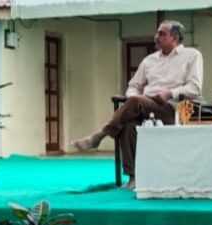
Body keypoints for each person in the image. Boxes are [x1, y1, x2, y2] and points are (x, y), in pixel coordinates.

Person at [71, 21, 203, 189]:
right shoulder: (149, 60)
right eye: (156, 33)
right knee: (128, 124)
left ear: (175, 37)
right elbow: (133, 86)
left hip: (173, 108)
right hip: (144, 105)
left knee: (135, 102)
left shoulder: (192, 55)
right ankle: (133, 178)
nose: (156, 37)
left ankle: (100, 135)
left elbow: (194, 88)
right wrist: (134, 98)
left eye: (162, 34)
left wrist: (170, 93)